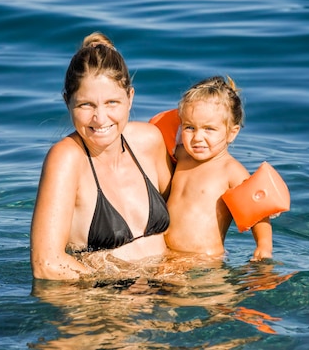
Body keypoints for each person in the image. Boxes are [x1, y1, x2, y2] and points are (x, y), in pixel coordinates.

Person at [30, 32, 173, 280]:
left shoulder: (149, 141)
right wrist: (121, 284)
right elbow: (47, 264)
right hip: (102, 306)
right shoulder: (66, 159)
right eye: (86, 105)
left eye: (112, 103)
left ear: (130, 98)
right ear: (67, 102)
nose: (101, 118)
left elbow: (185, 214)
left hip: (164, 294)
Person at [164, 76, 273, 260]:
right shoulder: (181, 155)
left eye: (209, 129)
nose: (197, 137)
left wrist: (263, 247)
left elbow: (258, 213)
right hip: (168, 255)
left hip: (205, 261)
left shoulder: (231, 171)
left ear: (232, 132)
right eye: (190, 127)